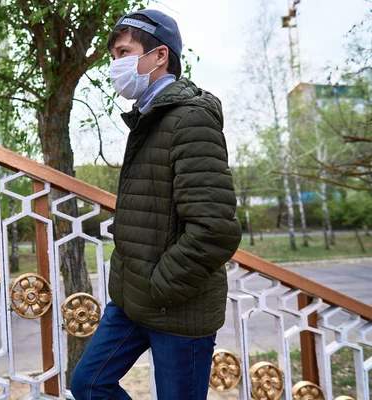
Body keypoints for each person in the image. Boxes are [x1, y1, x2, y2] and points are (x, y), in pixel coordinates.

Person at [70, 9, 242, 400]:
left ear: (160, 55)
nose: (115, 66)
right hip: (133, 300)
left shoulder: (190, 120)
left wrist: (160, 285)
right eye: (113, 56)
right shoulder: (150, 118)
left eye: (123, 53)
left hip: (177, 308)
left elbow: (215, 229)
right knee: (88, 384)